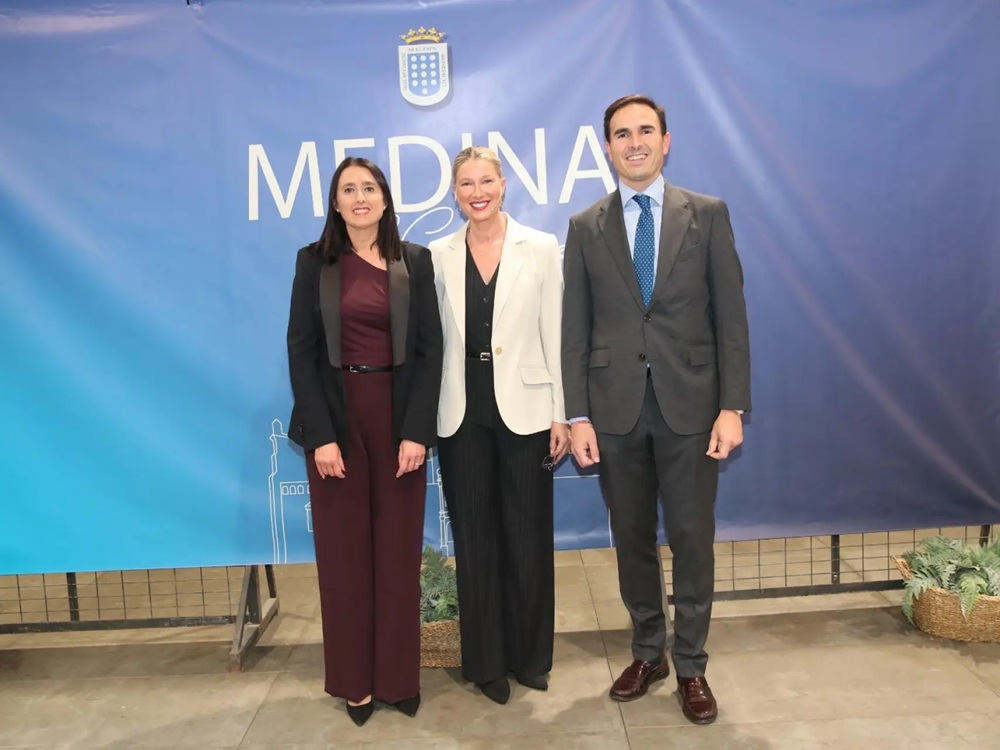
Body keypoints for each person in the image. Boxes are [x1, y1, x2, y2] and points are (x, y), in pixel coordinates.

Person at [561, 95, 751, 725]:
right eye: (621, 133)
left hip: (692, 409)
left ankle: (692, 663)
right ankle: (650, 650)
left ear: (666, 141)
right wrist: (579, 415)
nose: (634, 142)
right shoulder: (586, 226)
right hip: (614, 412)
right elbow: (575, 328)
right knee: (633, 539)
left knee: (693, 541)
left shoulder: (709, 215)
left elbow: (731, 319)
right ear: (607, 147)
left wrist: (733, 407)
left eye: (645, 131)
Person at [286, 157, 443, 726]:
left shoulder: (414, 261)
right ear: (335, 202)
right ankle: (355, 682)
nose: (359, 198)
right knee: (345, 560)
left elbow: (430, 352)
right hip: (337, 424)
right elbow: (301, 352)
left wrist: (416, 432)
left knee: (399, 555)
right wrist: (322, 437)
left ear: (385, 198)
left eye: (368, 188)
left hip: (398, 423)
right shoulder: (314, 262)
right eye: (347, 189)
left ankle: (399, 680)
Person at [429, 146, 570, 705]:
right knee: (476, 538)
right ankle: (485, 663)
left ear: (504, 184)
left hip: (529, 409)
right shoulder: (436, 255)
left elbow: (555, 330)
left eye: (486, 180)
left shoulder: (539, 247)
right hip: (459, 411)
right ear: (455, 192)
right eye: (466, 183)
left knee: (528, 537)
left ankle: (530, 658)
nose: (477, 191)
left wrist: (563, 412)